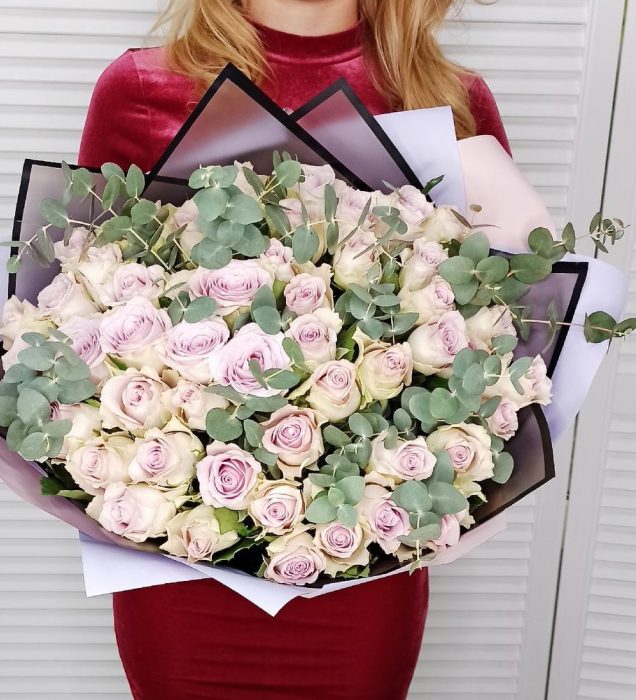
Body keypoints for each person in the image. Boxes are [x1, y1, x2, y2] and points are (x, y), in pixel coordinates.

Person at [78, 2, 510, 698]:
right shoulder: (141, 91)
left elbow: (491, 341)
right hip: (184, 573)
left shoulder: (452, 102)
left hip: (362, 576)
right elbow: (85, 332)